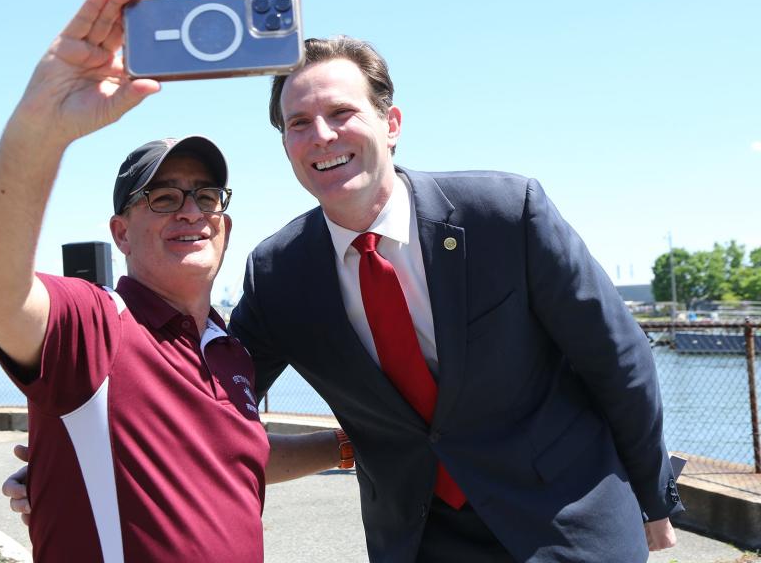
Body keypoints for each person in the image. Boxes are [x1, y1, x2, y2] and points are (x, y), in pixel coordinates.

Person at [226, 36, 684, 562]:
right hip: (419, 539)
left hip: (564, 519)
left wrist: (652, 497)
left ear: (391, 124)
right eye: (298, 123)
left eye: (340, 112)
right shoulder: (278, 271)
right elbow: (212, 403)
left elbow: (617, 358)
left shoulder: (507, 214)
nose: (321, 136)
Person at [0, 0, 345, 563]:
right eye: (162, 198)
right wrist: (43, 125)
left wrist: (343, 446)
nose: (190, 211)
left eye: (206, 197)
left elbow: (233, 452)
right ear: (121, 233)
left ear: (226, 228)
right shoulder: (94, 327)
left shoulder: (229, 347)